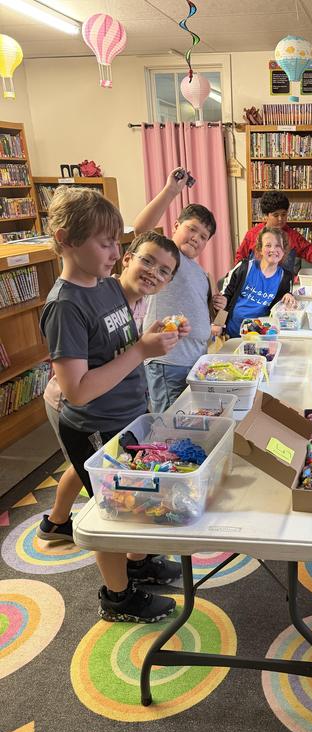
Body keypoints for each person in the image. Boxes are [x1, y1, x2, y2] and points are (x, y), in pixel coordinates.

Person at [39, 187, 185, 623]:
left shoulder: (104, 286)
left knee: (136, 502)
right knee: (115, 513)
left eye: (116, 243)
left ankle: (137, 566)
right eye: (105, 244)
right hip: (95, 423)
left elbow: (116, 344)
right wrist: (141, 351)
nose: (113, 251)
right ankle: (118, 596)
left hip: (124, 416)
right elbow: (78, 390)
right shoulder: (65, 304)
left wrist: (148, 337)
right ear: (66, 239)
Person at [134, 168, 221, 413]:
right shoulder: (170, 257)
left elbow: (205, 316)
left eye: (204, 236)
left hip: (194, 362)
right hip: (169, 362)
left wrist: (215, 307)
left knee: (185, 423)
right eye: (192, 229)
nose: (196, 238)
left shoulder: (202, 273)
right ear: (175, 225)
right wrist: (171, 190)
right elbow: (141, 230)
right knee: (169, 424)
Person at [222, 227, 296, 338]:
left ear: (284, 250)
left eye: (278, 246)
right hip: (231, 335)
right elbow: (225, 297)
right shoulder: (244, 267)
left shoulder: (286, 277)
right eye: (268, 245)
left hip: (260, 336)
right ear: (260, 249)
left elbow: (284, 303)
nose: (273, 250)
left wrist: (289, 295)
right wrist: (218, 323)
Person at [235, 190, 312, 272]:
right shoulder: (252, 234)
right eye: (275, 215)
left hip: (283, 284)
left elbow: (307, 249)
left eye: (283, 214)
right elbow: (240, 257)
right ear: (266, 216)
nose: (280, 219)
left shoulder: (292, 235)